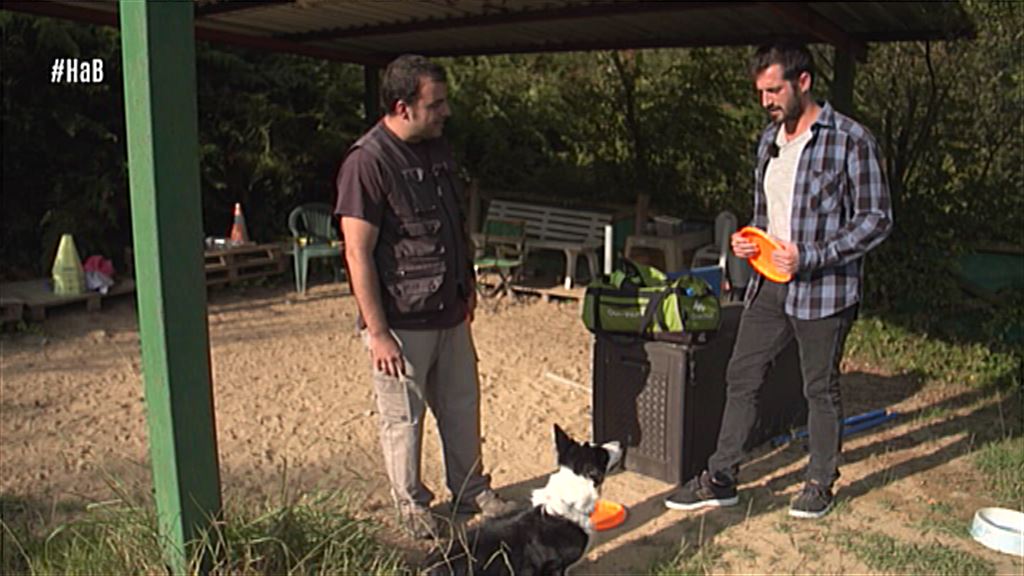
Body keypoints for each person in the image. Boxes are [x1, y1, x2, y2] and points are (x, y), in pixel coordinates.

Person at [665, 43, 893, 519]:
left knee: (819, 389)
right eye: (761, 92)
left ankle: (819, 482)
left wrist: (810, 256)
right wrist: (751, 241)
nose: (766, 101)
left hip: (824, 288)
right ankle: (721, 477)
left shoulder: (851, 139)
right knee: (741, 376)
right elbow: (768, 214)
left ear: (803, 81)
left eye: (774, 90)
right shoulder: (769, 140)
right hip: (768, 285)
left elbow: (876, 219)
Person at [335, 54, 516, 539]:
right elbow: (357, 252)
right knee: (404, 420)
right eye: (435, 105)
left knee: (462, 407)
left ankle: (471, 490)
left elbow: (454, 224)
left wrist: (467, 286)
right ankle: (412, 506)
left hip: (450, 310)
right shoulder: (367, 162)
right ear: (403, 107)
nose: (445, 112)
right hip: (402, 321)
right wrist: (378, 333)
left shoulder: (436, 148)